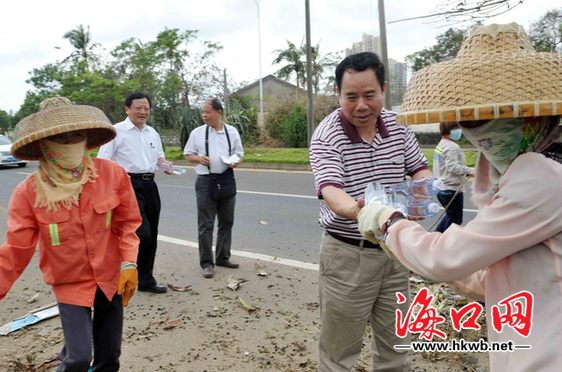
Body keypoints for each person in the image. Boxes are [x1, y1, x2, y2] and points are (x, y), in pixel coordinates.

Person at [358, 23, 562, 372]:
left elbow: (445, 258)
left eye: (487, 117)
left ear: (533, 113)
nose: (476, 130)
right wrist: (449, 263)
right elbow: (494, 273)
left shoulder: (542, 175)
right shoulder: (532, 167)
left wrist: (390, 222)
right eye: (468, 120)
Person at [308, 51, 432, 371]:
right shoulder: (327, 136)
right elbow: (331, 191)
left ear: (384, 90)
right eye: (351, 96)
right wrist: (360, 211)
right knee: (339, 353)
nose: (361, 105)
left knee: (396, 348)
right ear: (338, 94)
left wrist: (423, 192)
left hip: (393, 252)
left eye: (369, 95)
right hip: (348, 256)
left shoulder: (398, 126)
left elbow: (419, 170)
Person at [0, 97, 142, 371]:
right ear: (44, 144)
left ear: (87, 138)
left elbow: (127, 223)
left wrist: (129, 262)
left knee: (109, 356)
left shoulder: (112, 175)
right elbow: (15, 250)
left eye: (76, 135)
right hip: (70, 283)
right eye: (60, 138)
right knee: (77, 359)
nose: (70, 143)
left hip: (112, 276)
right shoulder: (28, 193)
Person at [98, 92, 172, 294]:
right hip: (128, 185)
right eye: (138, 108)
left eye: (146, 108)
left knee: (152, 233)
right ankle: (124, 271)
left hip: (150, 185)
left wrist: (166, 165)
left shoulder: (152, 133)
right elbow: (104, 162)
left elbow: (159, 159)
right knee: (142, 234)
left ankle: (146, 280)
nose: (143, 112)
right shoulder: (116, 131)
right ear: (127, 109)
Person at [183, 98, 244, 279]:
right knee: (206, 224)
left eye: (208, 112)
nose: (204, 116)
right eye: (203, 112)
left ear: (219, 112)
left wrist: (235, 161)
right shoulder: (197, 133)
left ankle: (223, 257)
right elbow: (188, 154)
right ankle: (206, 263)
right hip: (205, 181)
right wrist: (198, 159)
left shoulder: (231, 132)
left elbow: (239, 153)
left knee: (227, 221)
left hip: (226, 179)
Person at [433, 122, 474, 232]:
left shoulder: (441, 145)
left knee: (449, 216)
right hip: (451, 189)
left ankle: (435, 236)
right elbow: (453, 167)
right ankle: (442, 244)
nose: (459, 131)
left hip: (441, 188)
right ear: (448, 130)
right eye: (456, 128)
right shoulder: (452, 147)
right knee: (454, 223)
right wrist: (472, 171)